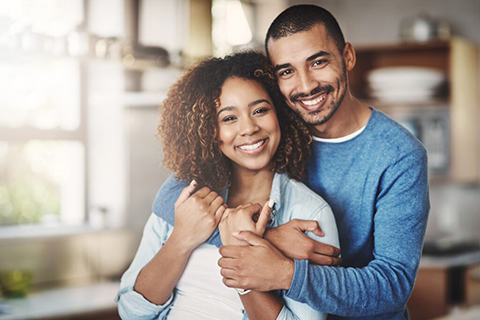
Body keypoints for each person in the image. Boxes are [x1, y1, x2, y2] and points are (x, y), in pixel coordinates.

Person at [153, 4, 430, 320]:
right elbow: (169, 199)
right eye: (287, 71)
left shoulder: (398, 155)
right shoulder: (270, 135)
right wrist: (264, 239)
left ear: (348, 57)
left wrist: (285, 272)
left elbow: (391, 286)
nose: (307, 85)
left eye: (318, 62)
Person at [116, 51, 340, 320]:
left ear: (280, 114)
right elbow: (131, 311)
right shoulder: (187, 198)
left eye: (260, 110)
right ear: (209, 130)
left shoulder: (309, 215)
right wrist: (181, 240)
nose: (248, 128)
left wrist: (242, 257)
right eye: (228, 118)